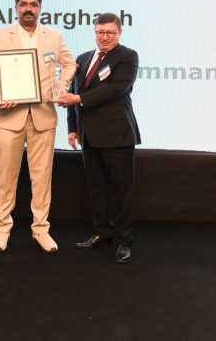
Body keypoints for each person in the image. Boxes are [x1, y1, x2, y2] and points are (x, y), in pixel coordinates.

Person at [0, 0, 75, 254]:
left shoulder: (54, 37)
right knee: (5, 176)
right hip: (9, 117)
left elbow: (69, 64)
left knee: (42, 177)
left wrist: (61, 85)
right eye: (23, 4)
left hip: (44, 116)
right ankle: (2, 227)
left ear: (40, 7)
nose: (28, 9)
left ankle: (40, 229)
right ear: (16, 7)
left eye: (33, 4)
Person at [56, 13, 141, 263]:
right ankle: (102, 232)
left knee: (120, 191)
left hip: (117, 135)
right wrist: (72, 128)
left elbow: (116, 89)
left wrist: (79, 99)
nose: (104, 37)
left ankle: (123, 240)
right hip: (88, 137)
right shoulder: (82, 59)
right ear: (95, 32)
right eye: (100, 32)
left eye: (110, 33)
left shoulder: (128, 56)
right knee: (96, 189)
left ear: (119, 33)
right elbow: (72, 94)